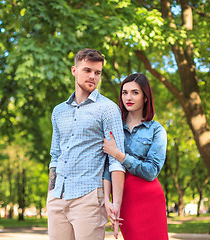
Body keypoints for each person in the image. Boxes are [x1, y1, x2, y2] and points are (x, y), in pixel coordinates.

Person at [47, 48, 125, 240]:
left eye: (97, 73)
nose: (93, 77)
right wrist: (50, 195)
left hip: (89, 197)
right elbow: (55, 156)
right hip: (58, 197)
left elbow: (116, 159)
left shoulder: (108, 109)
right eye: (87, 70)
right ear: (74, 70)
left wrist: (116, 203)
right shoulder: (58, 111)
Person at [103, 73, 169, 240]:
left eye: (135, 92)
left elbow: (151, 171)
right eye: (124, 92)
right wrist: (107, 198)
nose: (128, 97)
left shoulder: (156, 130)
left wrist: (119, 155)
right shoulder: (114, 126)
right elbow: (107, 166)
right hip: (124, 196)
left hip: (150, 195)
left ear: (145, 97)